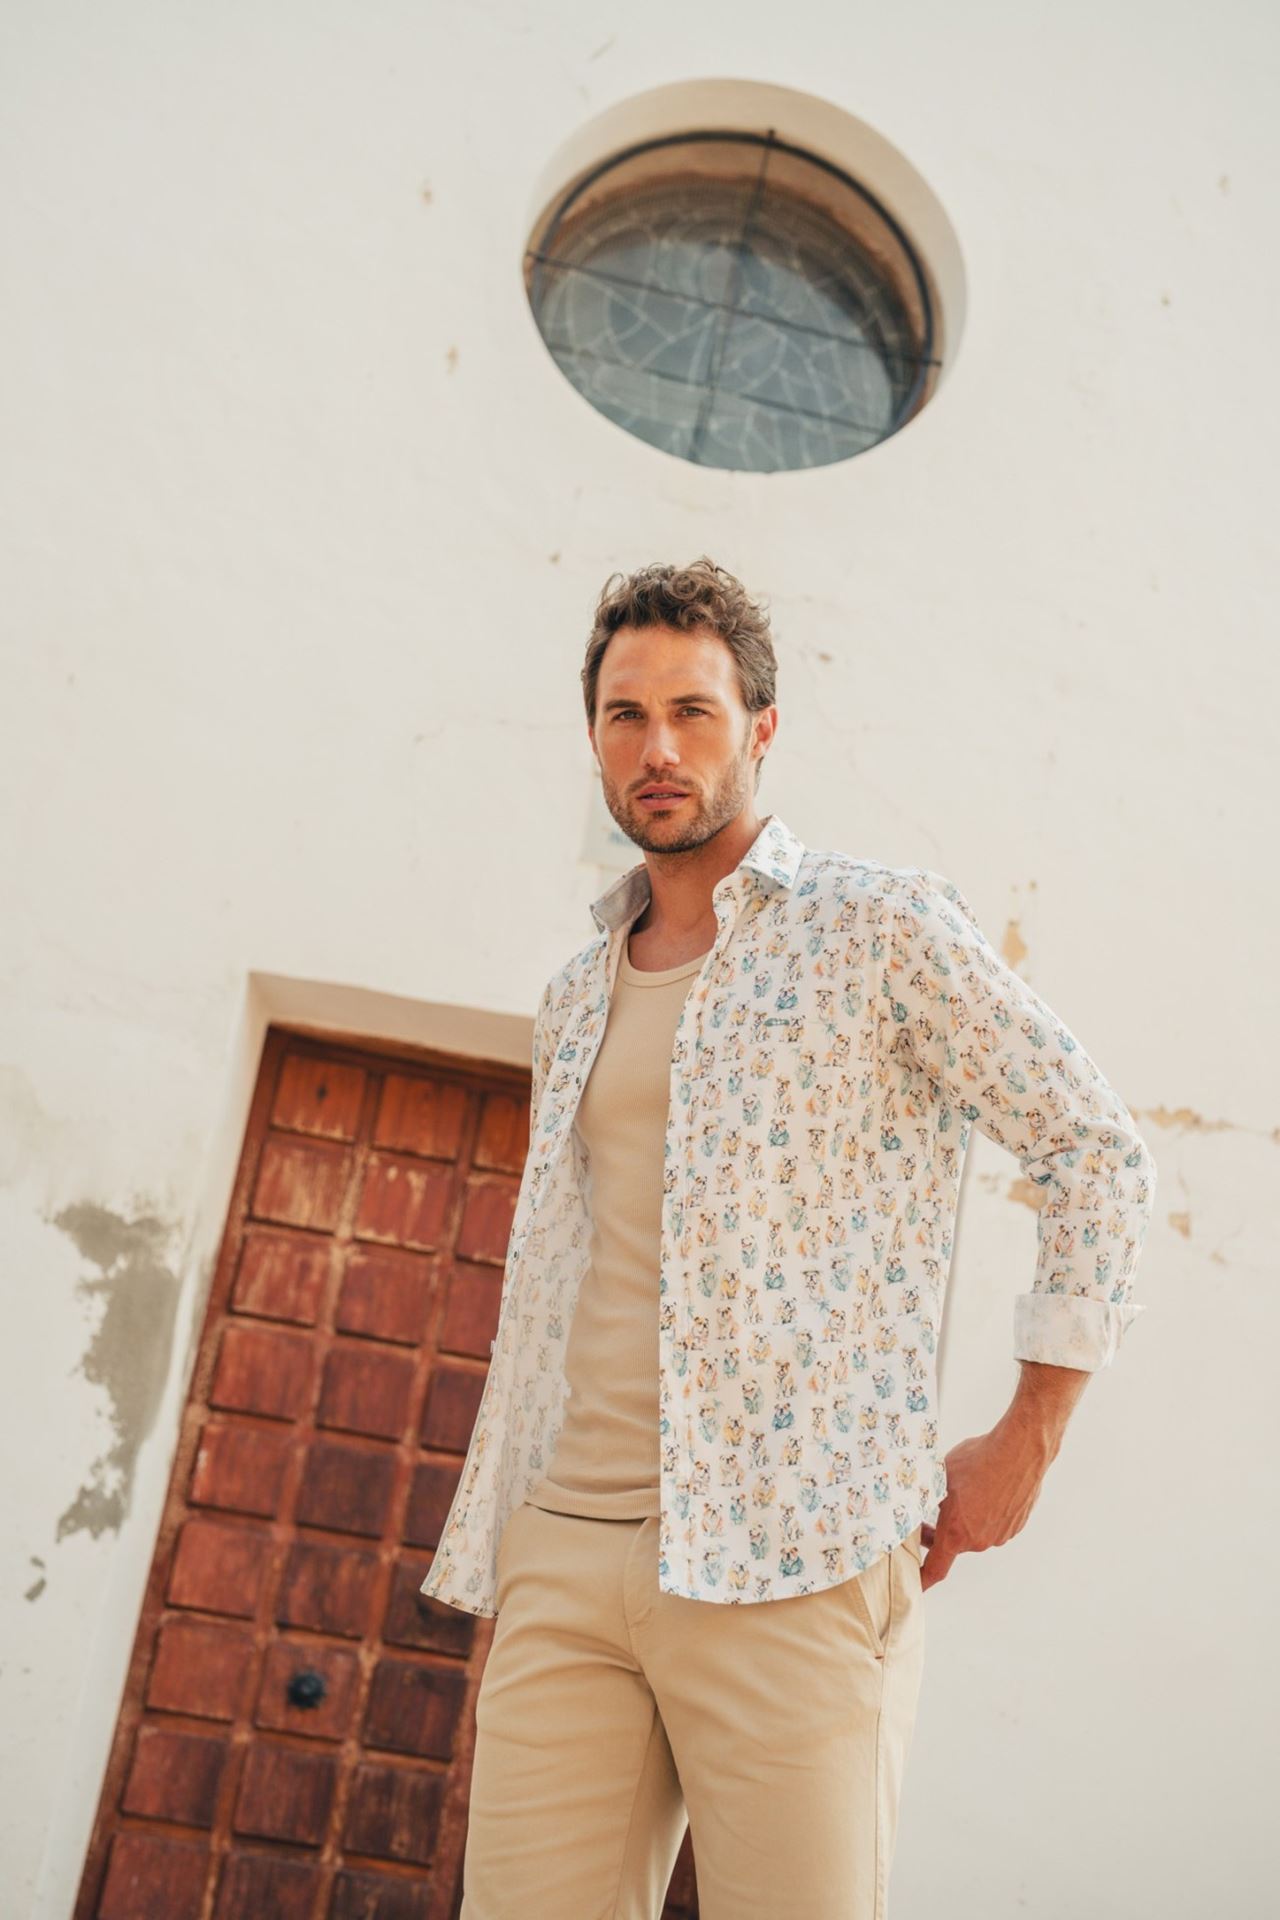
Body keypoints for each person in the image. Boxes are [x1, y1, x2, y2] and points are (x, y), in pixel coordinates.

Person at [420, 557, 1157, 1919]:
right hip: (571, 1544)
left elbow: (1093, 1147)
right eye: (626, 714)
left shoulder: (878, 930)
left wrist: (1030, 1435)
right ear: (594, 737)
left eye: (692, 712)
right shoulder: (575, 993)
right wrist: (532, 1534)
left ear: (761, 729)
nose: (657, 747)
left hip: (797, 1548)